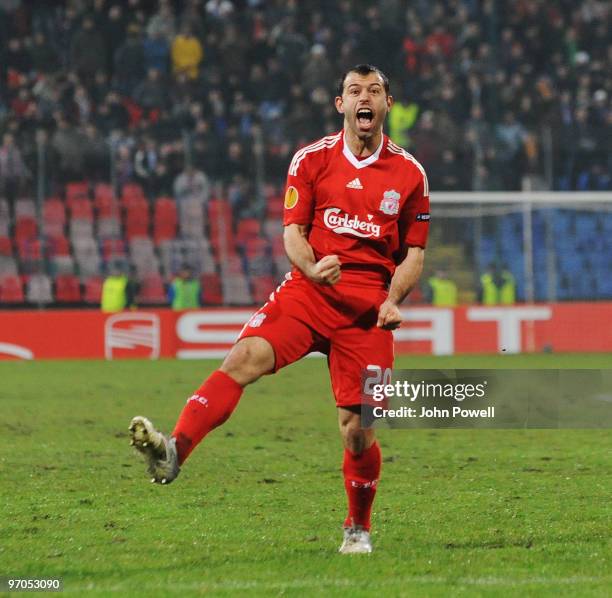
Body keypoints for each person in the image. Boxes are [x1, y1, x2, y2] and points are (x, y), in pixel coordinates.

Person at [129, 64, 430, 554]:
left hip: (368, 311)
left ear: (387, 104)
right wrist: (310, 270)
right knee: (242, 358)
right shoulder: (310, 160)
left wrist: (394, 301)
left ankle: (358, 527)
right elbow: (293, 231)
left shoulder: (410, 173)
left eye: (374, 90)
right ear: (341, 105)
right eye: (354, 91)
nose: (364, 98)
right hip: (309, 291)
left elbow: (414, 253)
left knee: (357, 430)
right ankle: (173, 451)